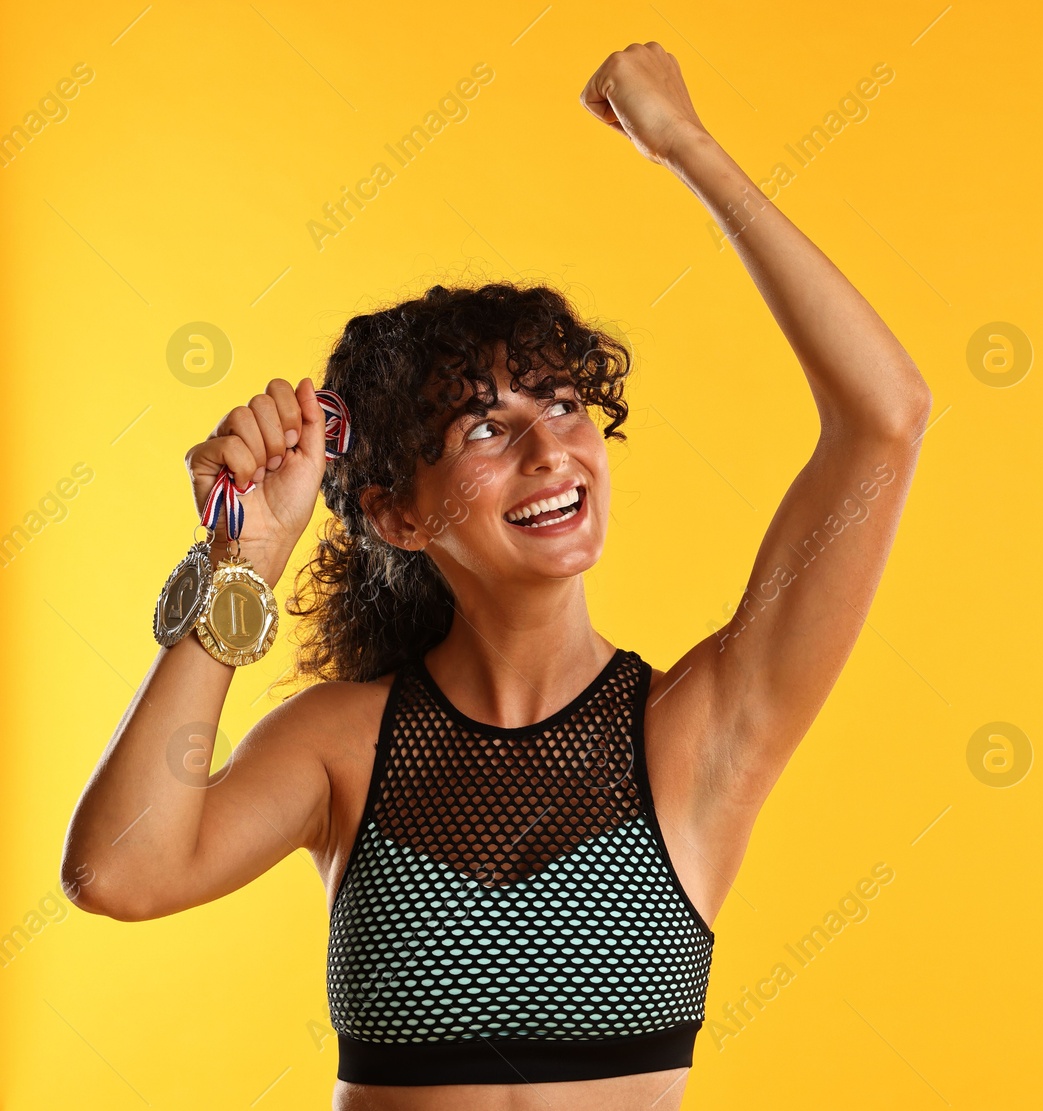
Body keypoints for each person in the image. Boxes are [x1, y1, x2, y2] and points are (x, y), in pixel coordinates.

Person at [61, 42, 929, 1111]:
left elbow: (883, 420)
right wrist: (243, 558)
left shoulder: (700, 730)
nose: (551, 449)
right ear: (397, 512)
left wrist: (685, 147)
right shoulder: (340, 743)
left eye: (565, 405)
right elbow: (118, 874)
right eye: (487, 426)